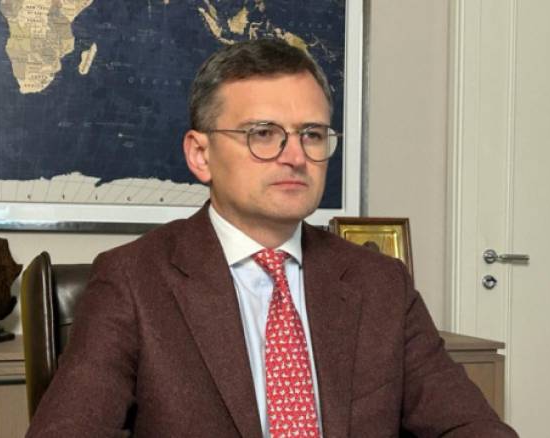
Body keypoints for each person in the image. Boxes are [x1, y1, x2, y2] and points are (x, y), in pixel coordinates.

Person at [27, 38, 518, 437]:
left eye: (312, 134)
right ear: (200, 155)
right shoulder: (133, 280)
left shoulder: (380, 284)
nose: (295, 156)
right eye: (263, 133)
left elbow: (468, 425)